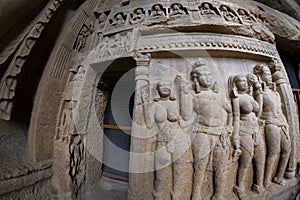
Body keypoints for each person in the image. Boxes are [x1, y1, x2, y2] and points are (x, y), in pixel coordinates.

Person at [181, 58, 233, 200]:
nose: (209, 78)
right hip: (202, 132)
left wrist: (229, 126)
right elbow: (186, 116)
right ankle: (196, 194)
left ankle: (219, 195)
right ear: (196, 78)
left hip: (220, 133)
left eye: (210, 75)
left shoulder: (219, 96)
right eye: (205, 75)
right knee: (200, 165)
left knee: (221, 166)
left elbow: (230, 111)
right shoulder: (193, 96)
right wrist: (184, 94)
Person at [144, 81, 192, 200]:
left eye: (168, 85)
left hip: (179, 140)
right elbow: (149, 125)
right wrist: (146, 106)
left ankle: (176, 195)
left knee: (178, 173)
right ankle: (158, 195)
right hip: (162, 142)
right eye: (162, 86)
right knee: (160, 174)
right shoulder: (155, 105)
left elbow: (183, 122)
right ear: (158, 89)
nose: (165, 87)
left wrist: (196, 120)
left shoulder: (175, 103)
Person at [253, 64, 291, 187]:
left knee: (286, 150)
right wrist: (256, 123)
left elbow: (280, 109)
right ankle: (266, 181)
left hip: (282, 123)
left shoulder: (276, 93)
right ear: (261, 76)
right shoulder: (261, 93)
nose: (269, 77)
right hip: (270, 123)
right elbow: (258, 110)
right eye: (267, 74)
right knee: (274, 152)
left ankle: (278, 176)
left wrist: (285, 123)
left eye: (270, 74)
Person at [229, 74, 265, 199]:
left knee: (260, 158)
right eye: (241, 81)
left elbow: (258, 110)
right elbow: (236, 118)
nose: (244, 83)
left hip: (255, 130)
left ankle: (258, 184)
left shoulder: (249, 96)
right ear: (236, 83)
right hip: (244, 132)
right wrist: (235, 137)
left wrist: (258, 90)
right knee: (245, 162)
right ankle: (239, 187)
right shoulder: (236, 98)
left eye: (245, 81)